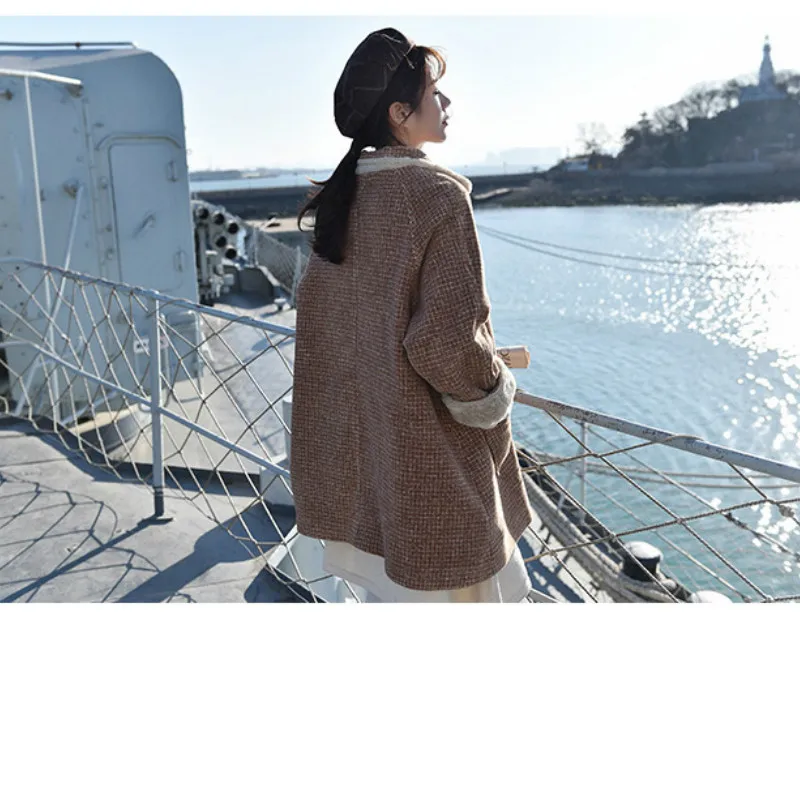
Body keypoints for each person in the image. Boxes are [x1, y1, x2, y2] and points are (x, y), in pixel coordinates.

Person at [290, 27, 535, 602]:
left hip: (361, 466)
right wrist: (494, 387)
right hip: (429, 464)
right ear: (400, 113)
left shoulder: (347, 196)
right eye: (434, 93)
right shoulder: (437, 195)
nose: (447, 102)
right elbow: (447, 343)